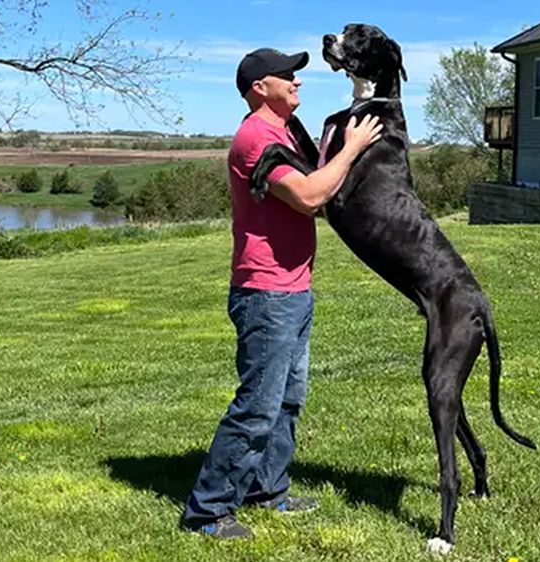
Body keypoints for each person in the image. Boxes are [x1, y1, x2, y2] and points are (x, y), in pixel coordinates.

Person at [179, 47, 383, 539]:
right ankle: (207, 511)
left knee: (288, 400)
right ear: (258, 88)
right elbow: (311, 195)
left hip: (294, 287)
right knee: (258, 405)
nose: (297, 82)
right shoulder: (255, 139)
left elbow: (317, 184)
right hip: (265, 293)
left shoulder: (287, 132)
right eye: (286, 76)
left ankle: (267, 489)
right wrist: (352, 147)